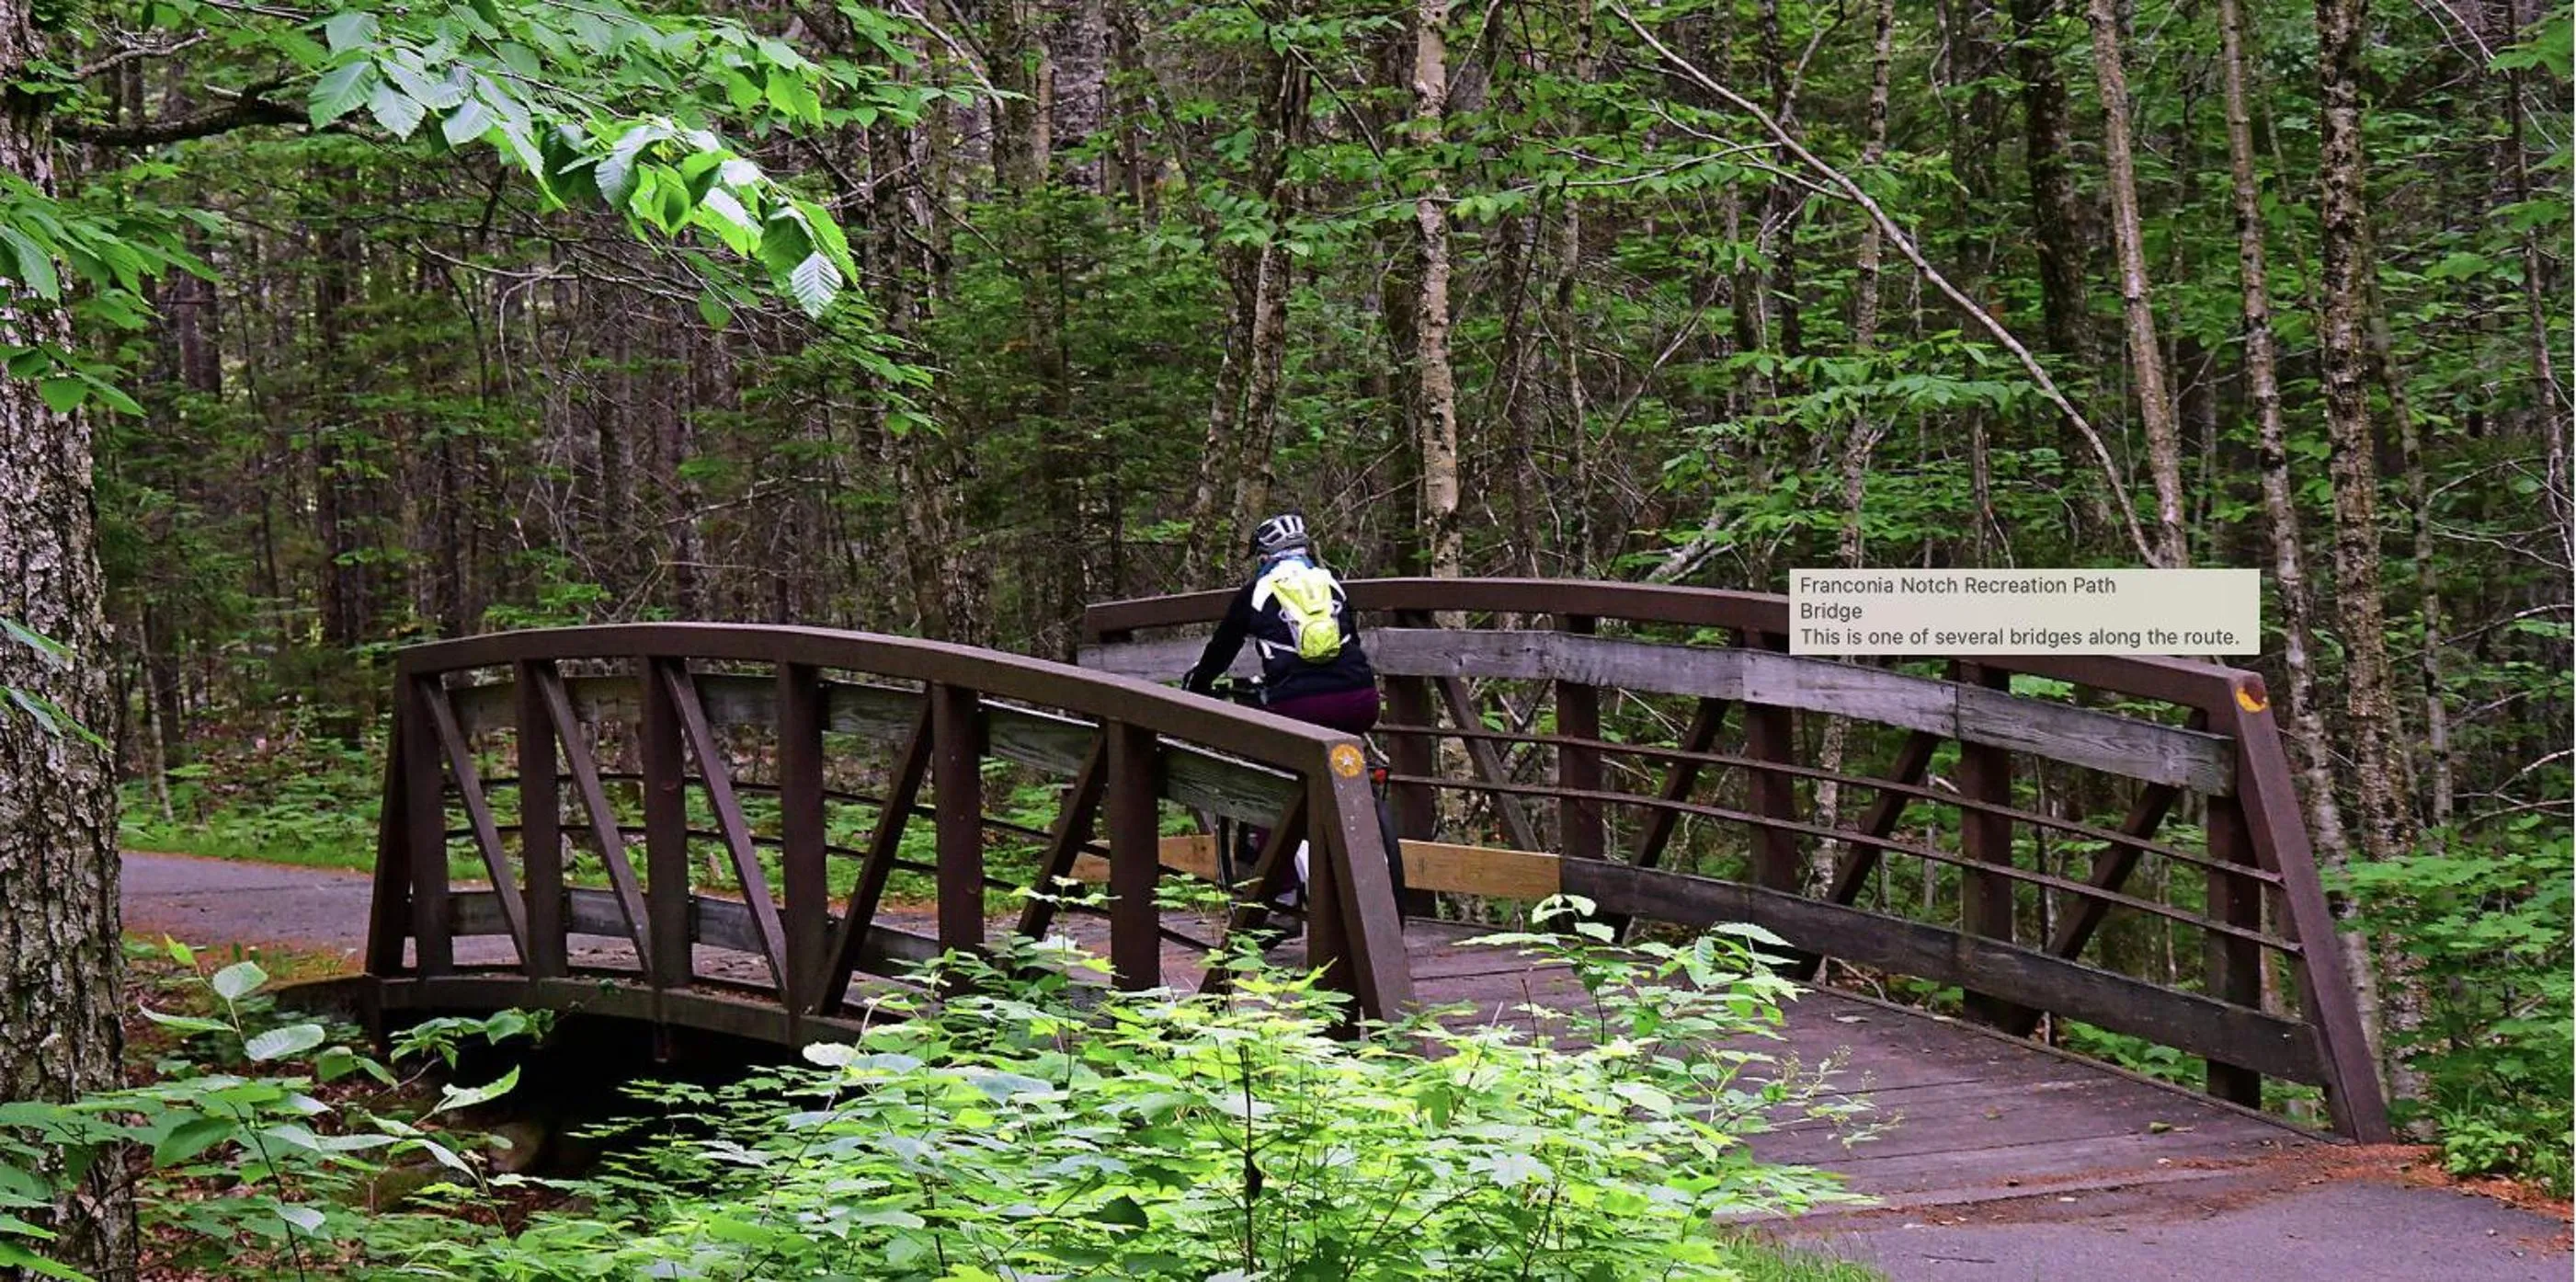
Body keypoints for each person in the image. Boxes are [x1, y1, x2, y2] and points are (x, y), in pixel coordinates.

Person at [1182, 513, 1380, 735]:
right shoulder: (1330, 582)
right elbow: (1353, 639)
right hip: (1361, 698)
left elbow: (1222, 648)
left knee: (1267, 742)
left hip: (1298, 706)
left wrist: (1198, 684)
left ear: (1266, 557)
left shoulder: (1255, 592)